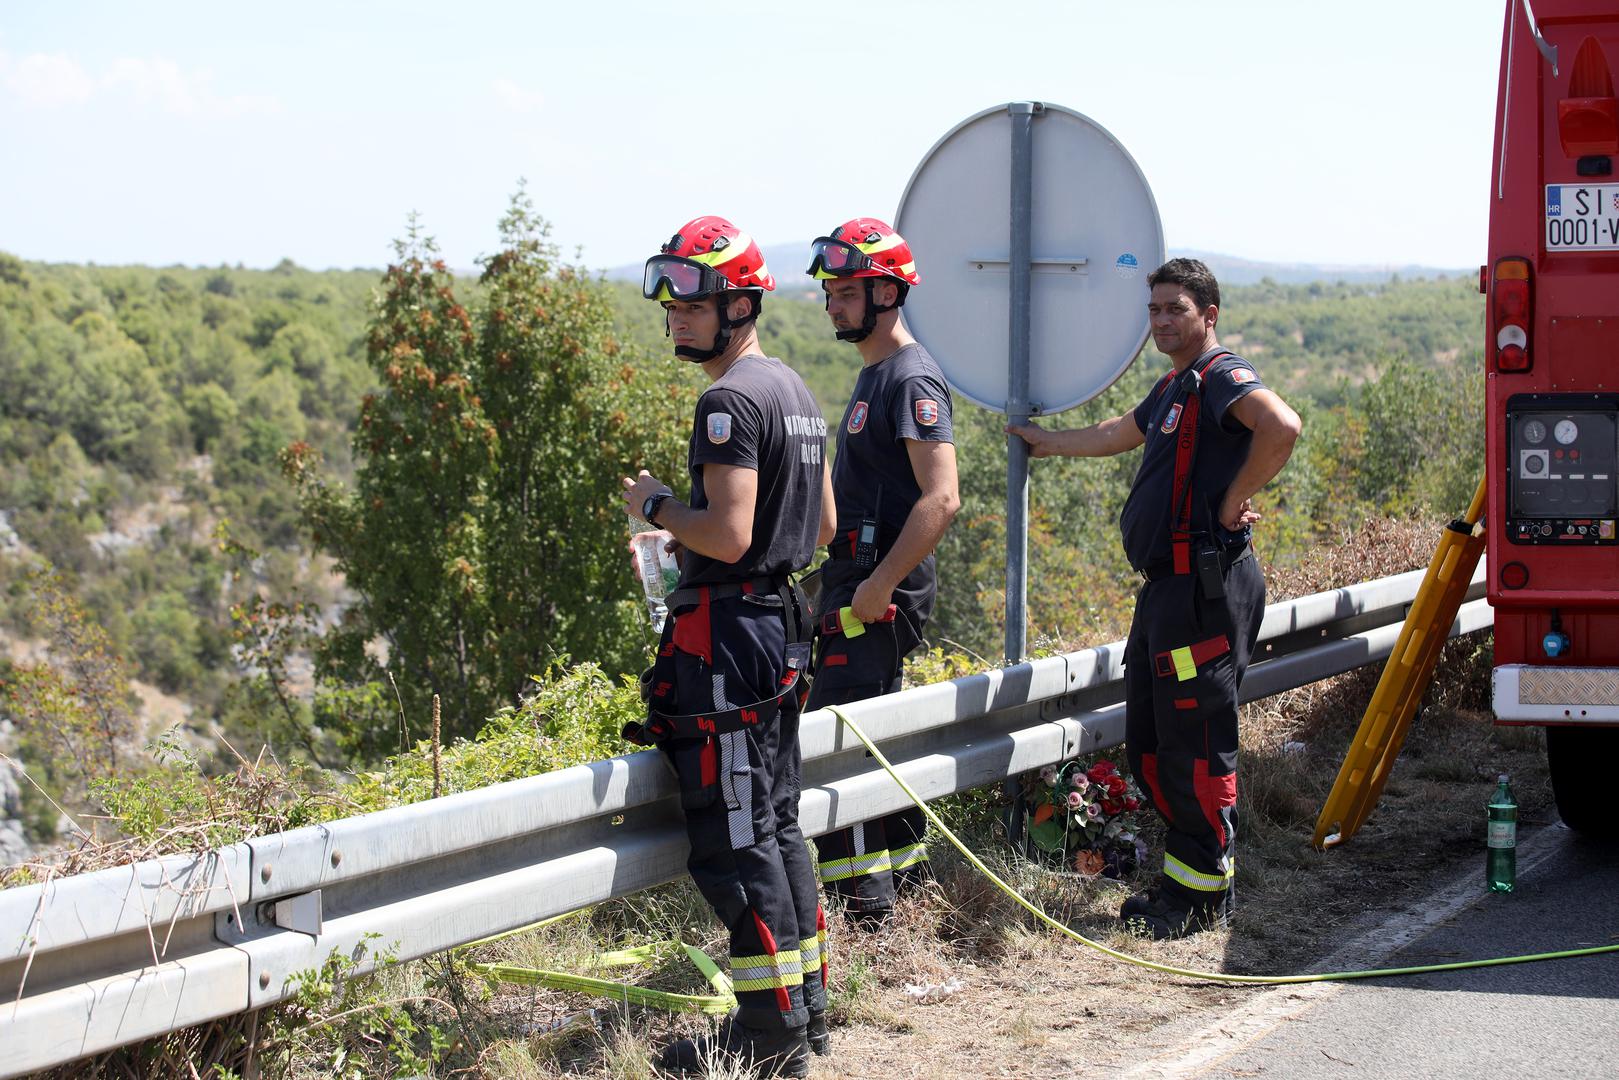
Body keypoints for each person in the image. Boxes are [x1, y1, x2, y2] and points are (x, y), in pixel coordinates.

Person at [1007, 258, 1300, 940]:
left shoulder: (1221, 375)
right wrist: (1044, 443)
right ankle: (1185, 880)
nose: (1163, 320)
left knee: (1195, 747)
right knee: (1151, 744)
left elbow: (1281, 426)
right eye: (1155, 309)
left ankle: (1199, 898)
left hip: (1203, 590)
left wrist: (1229, 501)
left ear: (1208, 315)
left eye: (1176, 308)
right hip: (1167, 593)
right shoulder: (1176, 386)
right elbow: (1118, 432)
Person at [621, 215, 836, 1077]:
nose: (676, 311)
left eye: (694, 297)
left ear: (739, 304)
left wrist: (659, 509)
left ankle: (769, 1037)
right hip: (777, 625)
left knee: (735, 836)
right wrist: (729, 547)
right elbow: (816, 526)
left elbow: (731, 527)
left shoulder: (728, 403)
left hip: (729, 639)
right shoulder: (795, 390)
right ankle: (805, 1015)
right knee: (778, 825)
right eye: (669, 294)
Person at [800, 218, 960, 926]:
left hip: (878, 592)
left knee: (835, 745)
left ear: (886, 292)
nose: (832, 304)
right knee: (862, 736)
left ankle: (867, 912)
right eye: (829, 291)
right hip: (854, 582)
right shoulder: (876, 373)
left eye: (845, 291)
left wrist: (880, 583)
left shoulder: (911, 377)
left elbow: (942, 497)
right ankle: (900, 886)